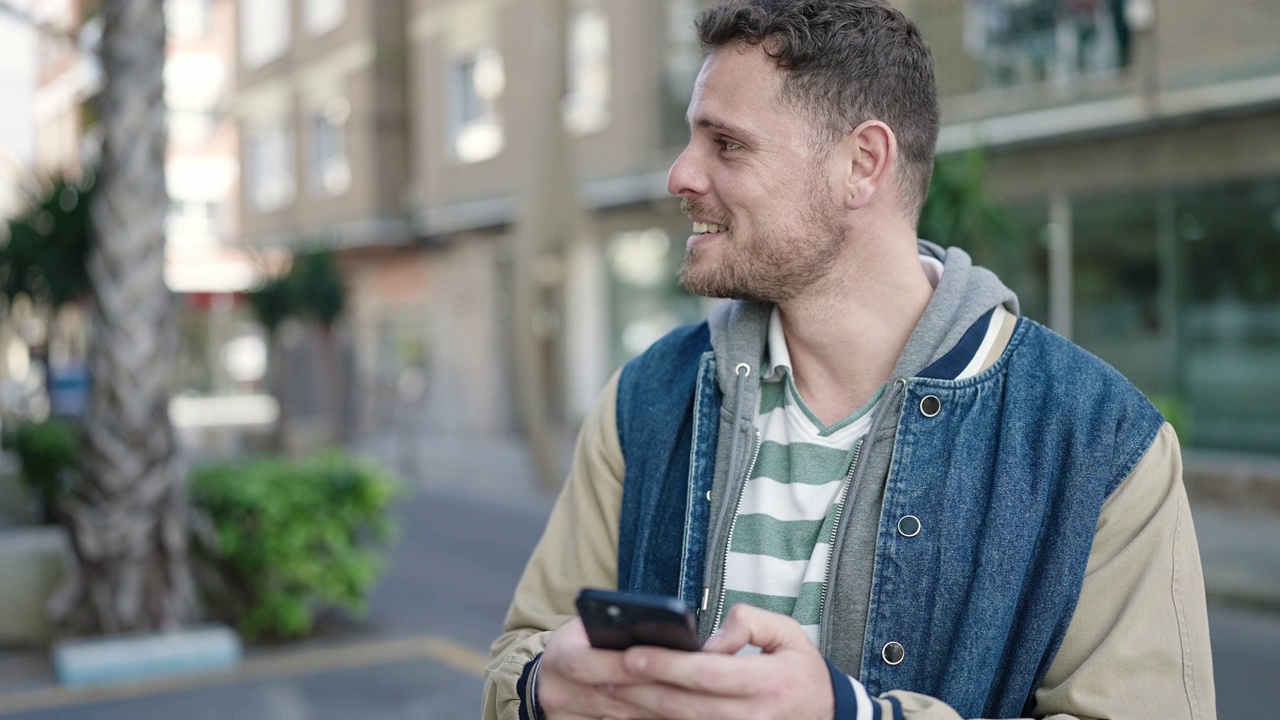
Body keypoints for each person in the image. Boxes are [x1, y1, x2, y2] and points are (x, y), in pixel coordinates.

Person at [483, 0, 1216, 718]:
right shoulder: (644, 400)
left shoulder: (1104, 446)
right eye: (691, 139)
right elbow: (523, 652)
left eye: (726, 144)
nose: (680, 174)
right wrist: (543, 689)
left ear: (862, 163)